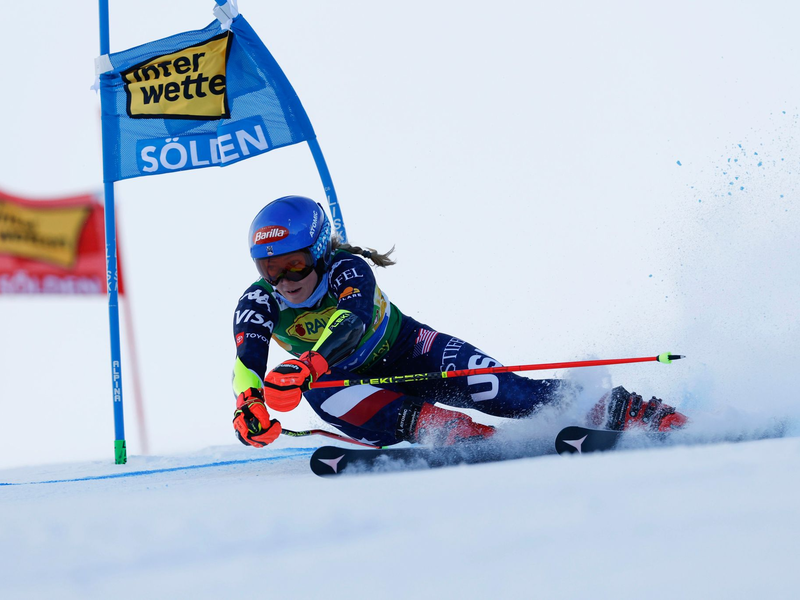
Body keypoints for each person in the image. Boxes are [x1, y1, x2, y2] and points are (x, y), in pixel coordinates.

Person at [232, 196, 687, 448]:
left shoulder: (347, 269)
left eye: (293, 264)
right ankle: (453, 432)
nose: (283, 279)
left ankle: (629, 410)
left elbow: (350, 321)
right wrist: (248, 405)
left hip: (414, 349)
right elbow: (246, 360)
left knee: (504, 391)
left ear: (317, 252)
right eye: (268, 268)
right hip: (357, 388)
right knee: (320, 391)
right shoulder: (258, 300)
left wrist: (307, 362)